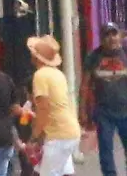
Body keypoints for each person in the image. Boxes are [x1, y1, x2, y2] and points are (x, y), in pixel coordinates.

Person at [81, 23, 127, 176]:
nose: (111, 38)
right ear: (101, 39)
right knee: (105, 149)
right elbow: (85, 85)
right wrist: (83, 111)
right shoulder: (93, 57)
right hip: (104, 112)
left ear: (119, 36)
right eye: (107, 35)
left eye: (114, 34)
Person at [26, 35, 80, 176]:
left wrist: (34, 136)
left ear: (36, 57)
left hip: (58, 134)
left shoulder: (40, 76)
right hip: (70, 131)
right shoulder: (58, 74)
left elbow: (43, 109)